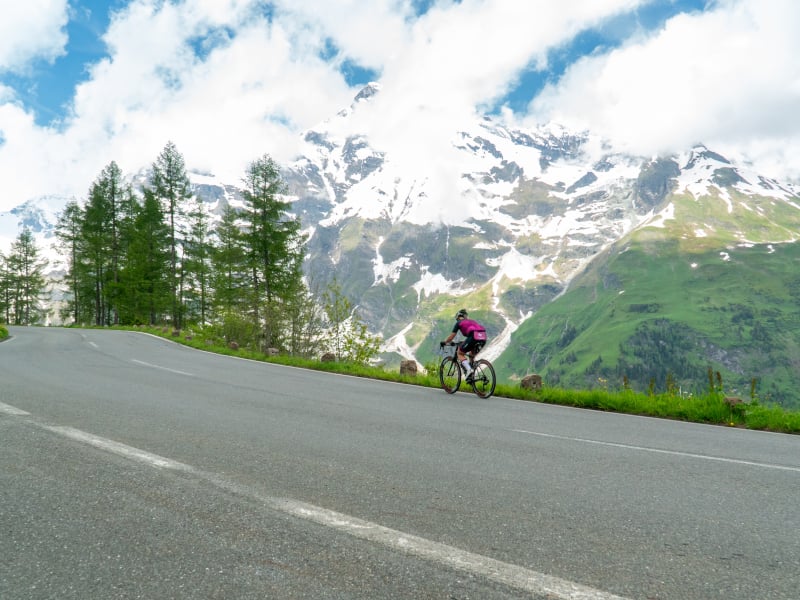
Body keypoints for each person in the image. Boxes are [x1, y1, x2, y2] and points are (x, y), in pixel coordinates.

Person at [441, 309, 487, 381]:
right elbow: (472, 335)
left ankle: (469, 370)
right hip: (483, 337)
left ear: (458, 317)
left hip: (473, 337)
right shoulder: (472, 321)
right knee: (471, 355)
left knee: (460, 353)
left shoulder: (459, 323)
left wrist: (445, 342)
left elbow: (452, 336)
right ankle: (471, 378)